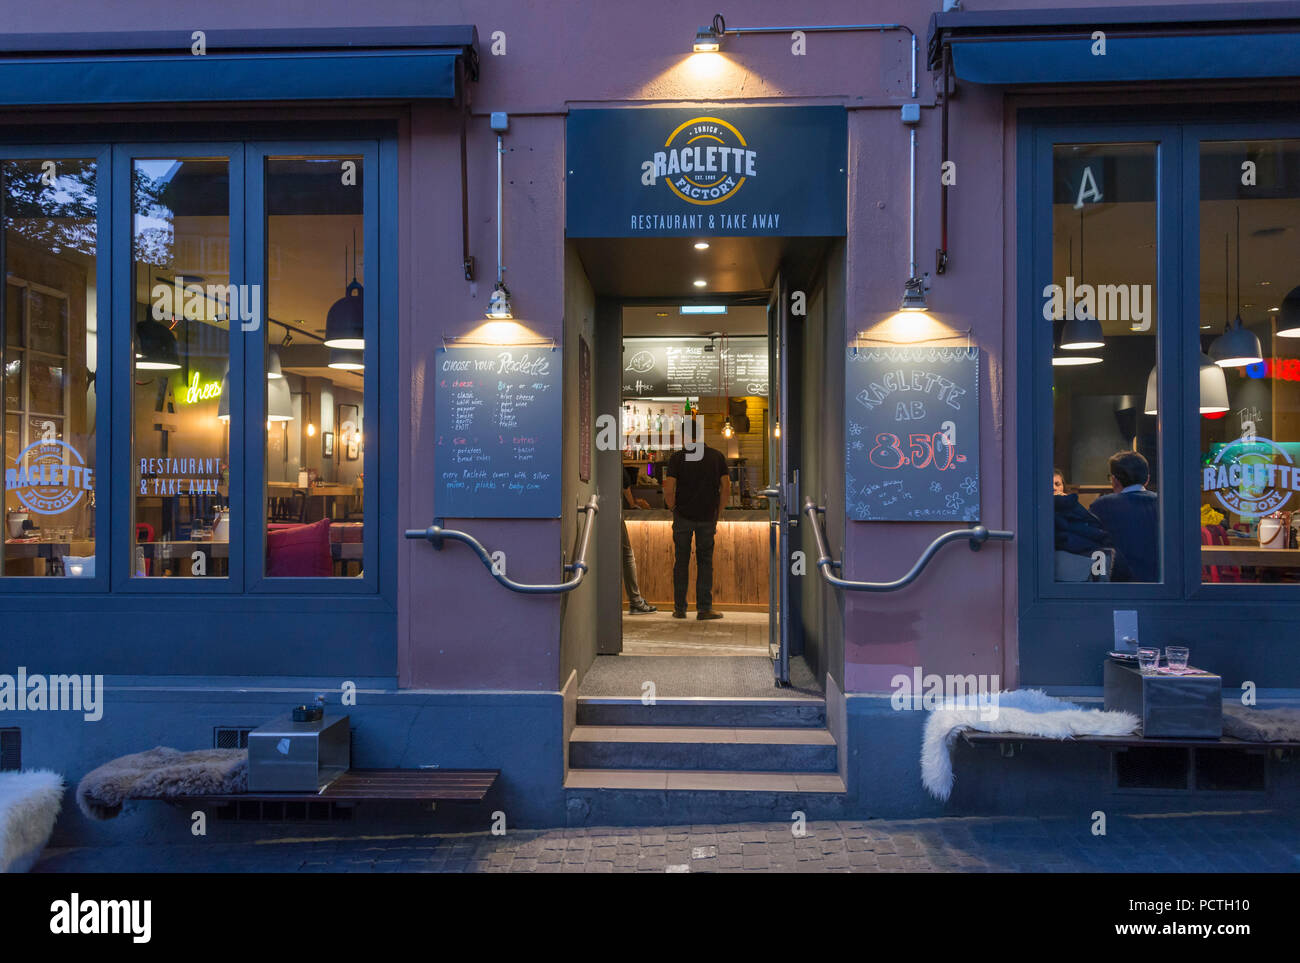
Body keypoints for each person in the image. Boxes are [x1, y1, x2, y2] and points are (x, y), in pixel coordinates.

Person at [663, 441, 730, 620]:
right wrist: (718, 511)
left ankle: (679, 609)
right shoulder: (717, 456)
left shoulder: (677, 458)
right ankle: (704, 609)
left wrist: (673, 509)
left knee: (681, 562)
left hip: (683, 516)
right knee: (705, 562)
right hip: (707, 517)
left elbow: (668, 488)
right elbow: (726, 487)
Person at [1090, 450, 1159, 582]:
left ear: (1115, 480)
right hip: (1161, 587)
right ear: (1147, 479)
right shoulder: (1164, 504)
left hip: (1118, 587)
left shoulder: (1102, 506)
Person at [621, 467, 657, 614]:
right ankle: (635, 601)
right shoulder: (617, 466)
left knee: (624, 555)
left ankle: (634, 601)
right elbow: (625, 487)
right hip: (612, 513)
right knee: (626, 555)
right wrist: (632, 504)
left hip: (604, 510)